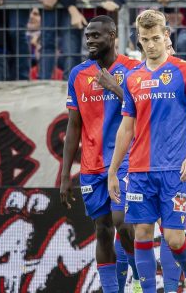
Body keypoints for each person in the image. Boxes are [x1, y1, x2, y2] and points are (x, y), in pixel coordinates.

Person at [108, 9, 186, 293]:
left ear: (166, 35)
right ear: (138, 40)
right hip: (139, 171)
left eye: (156, 37)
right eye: (145, 39)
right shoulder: (132, 78)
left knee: (174, 238)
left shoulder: (185, 70)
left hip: (173, 171)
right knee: (141, 232)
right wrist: (114, 170)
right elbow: (126, 128)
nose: (151, 44)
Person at [59, 16, 141, 293]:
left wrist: (116, 88)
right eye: (87, 36)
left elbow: (145, 110)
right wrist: (64, 175)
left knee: (123, 223)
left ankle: (142, 281)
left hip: (124, 161)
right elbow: (73, 126)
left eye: (96, 36)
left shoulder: (133, 68)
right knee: (103, 229)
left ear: (112, 35)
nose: (90, 41)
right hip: (91, 166)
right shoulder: (78, 74)